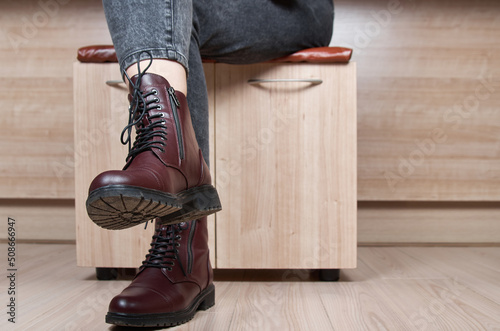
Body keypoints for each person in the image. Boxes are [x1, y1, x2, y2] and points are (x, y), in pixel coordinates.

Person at [86, 0, 334, 327]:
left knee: (175, 14)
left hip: (294, 10)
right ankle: (182, 231)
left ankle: (181, 239)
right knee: (173, 16)